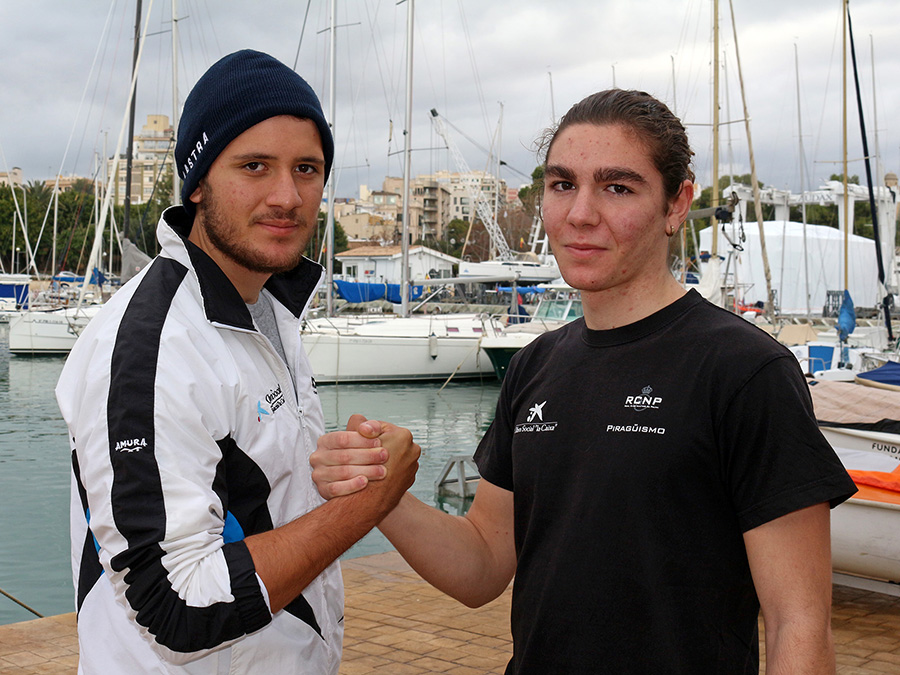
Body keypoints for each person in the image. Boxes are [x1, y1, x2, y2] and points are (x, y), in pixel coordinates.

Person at [311, 89, 858, 674]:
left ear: (677, 205)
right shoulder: (534, 365)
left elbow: (797, 623)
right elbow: (483, 566)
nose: (580, 213)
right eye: (562, 184)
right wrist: (379, 490)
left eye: (617, 187)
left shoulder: (746, 371)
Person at [56, 49, 418, 674]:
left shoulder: (266, 307)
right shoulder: (154, 346)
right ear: (197, 182)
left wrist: (328, 470)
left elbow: (245, 490)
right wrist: (363, 506)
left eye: (307, 168)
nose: (287, 195)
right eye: (255, 166)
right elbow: (175, 608)